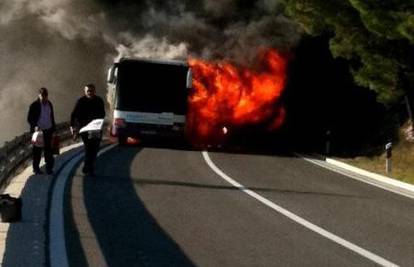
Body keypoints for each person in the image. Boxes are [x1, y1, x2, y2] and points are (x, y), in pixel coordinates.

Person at [70, 84, 105, 176]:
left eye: (91, 90)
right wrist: (73, 127)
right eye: (88, 91)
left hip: (95, 128)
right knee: (89, 148)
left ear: (94, 91)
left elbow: (103, 114)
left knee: (95, 148)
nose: (90, 92)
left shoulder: (99, 101)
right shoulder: (80, 101)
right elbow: (73, 115)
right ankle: (89, 168)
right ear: (85, 91)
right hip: (84, 128)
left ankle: (88, 166)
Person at [27, 87, 56, 175]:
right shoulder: (34, 105)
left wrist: (54, 129)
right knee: (37, 152)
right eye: (42, 95)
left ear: (47, 96)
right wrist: (35, 126)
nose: (43, 97)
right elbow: (29, 118)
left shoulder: (49, 104)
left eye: (45, 95)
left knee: (49, 151)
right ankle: (36, 169)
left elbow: (51, 117)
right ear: (39, 95)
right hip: (39, 132)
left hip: (48, 130)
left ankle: (49, 169)